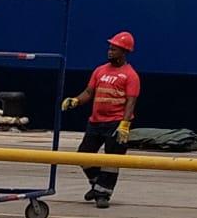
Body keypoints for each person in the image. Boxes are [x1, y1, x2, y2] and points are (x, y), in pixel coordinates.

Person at [60, 32, 140, 209]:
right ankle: (98, 185)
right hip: (96, 122)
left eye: (114, 49)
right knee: (83, 155)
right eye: (109, 48)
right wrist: (76, 100)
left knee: (112, 161)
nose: (110, 52)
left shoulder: (131, 75)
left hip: (116, 123)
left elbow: (131, 102)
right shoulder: (100, 70)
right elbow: (89, 92)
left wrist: (125, 124)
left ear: (124, 52)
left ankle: (103, 194)